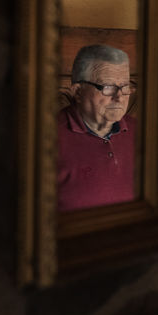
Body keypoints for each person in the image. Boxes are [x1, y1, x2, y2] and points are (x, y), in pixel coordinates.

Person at [57, 44, 137, 212]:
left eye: (124, 86)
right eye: (107, 87)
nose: (119, 97)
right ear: (78, 92)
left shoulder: (141, 132)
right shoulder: (48, 138)